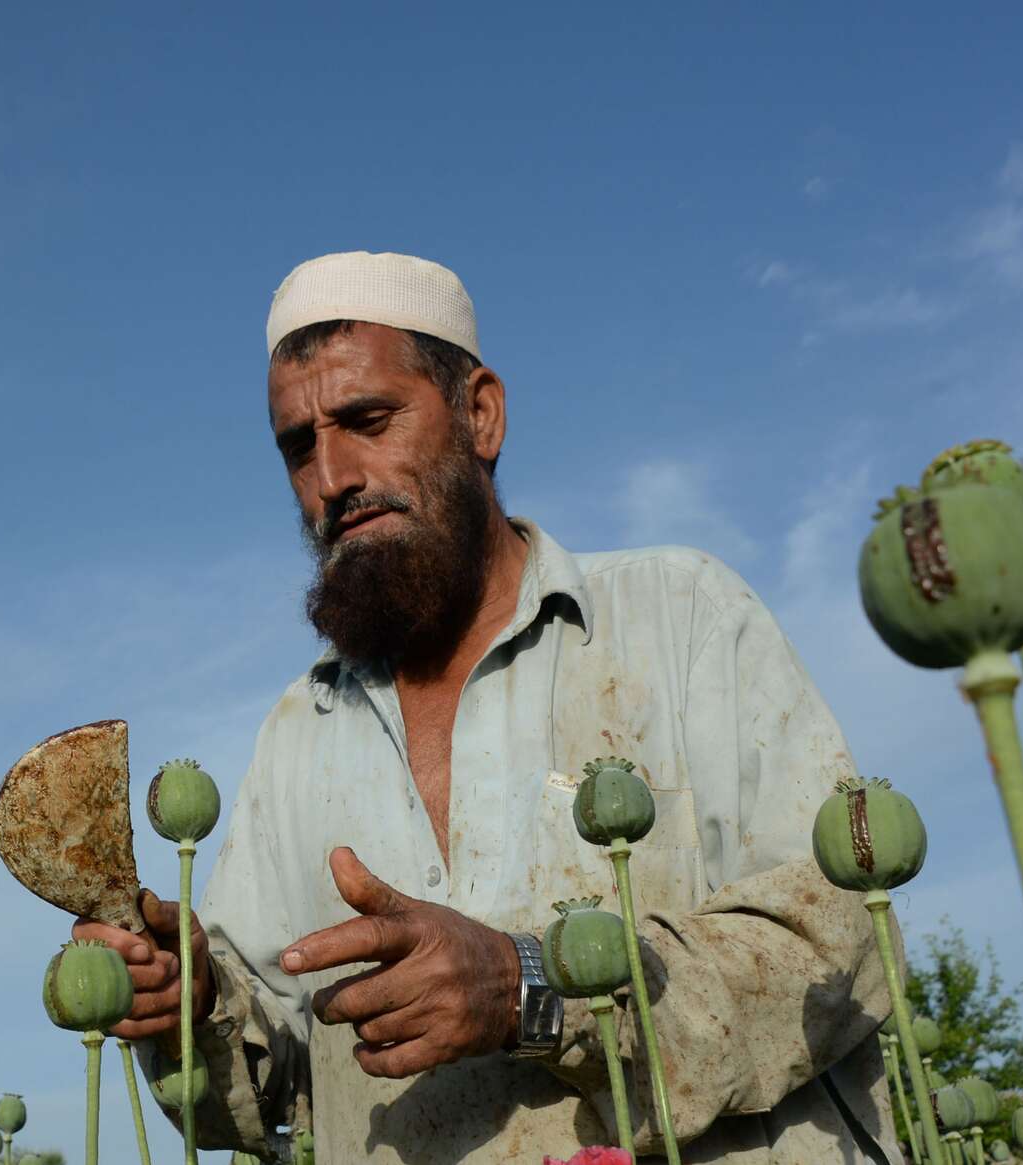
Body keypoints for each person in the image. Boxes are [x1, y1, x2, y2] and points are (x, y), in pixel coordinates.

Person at [74, 252, 898, 1163]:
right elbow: (270, 1103)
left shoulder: (681, 616)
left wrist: (530, 987)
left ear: (481, 413)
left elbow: (842, 940)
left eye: (367, 420)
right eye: (298, 446)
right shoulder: (297, 735)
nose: (332, 475)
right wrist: (190, 1009)